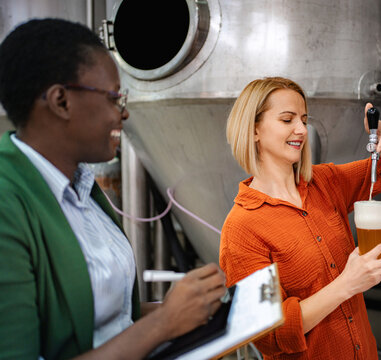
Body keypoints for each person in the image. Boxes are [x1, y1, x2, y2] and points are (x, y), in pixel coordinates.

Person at [0, 18, 226, 360]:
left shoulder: (81, 187)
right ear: (61, 101)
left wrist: (195, 307)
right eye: (114, 97)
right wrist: (163, 324)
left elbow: (110, 321)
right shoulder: (7, 203)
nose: (123, 114)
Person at [219, 77, 381, 359]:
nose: (301, 129)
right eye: (287, 120)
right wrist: (347, 284)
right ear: (254, 130)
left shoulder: (325, 182)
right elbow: (267, 334)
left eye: (303, 119)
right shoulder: (242, 228)